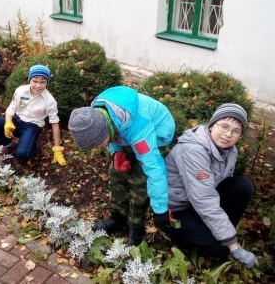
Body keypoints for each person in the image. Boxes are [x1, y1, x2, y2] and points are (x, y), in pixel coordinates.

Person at [68, 85, 175, 246]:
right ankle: (118, 217)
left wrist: (161, 209)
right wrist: (116, 151)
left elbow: (155, 169)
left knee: (141, 181)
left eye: (99, 144)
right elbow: (110, 132)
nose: (98, 147)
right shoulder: (94, 114)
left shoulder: (140, 131)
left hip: (156, 132)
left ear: (107, 133)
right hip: (124, 132)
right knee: (116, 172)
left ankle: (136, 226)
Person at [163, 103, 259, 268]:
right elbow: (204, 199)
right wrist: (234, 246)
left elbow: (222, 186)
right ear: (212, 124)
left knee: (243, 186)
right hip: (176, 209)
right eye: (224, 126)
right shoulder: (193, 150)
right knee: (223, 251)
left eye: (236, 131)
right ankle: (181, 237)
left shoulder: (231, 150)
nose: (228, 134)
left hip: (198, 202)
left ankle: (219, 233)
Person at [0, 64, 66, 165]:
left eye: (42, 82)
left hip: (32, 127)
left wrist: (57, 149)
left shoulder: (50, 101)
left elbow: (54, 123)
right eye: (35, 81)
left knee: (22, 154)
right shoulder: (20, 91)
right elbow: (11, 109)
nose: (38, 85)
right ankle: (9, 145)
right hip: (16, 122)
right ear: (30, 79)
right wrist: (8, 122)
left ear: (47, 82)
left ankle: (35, 142)